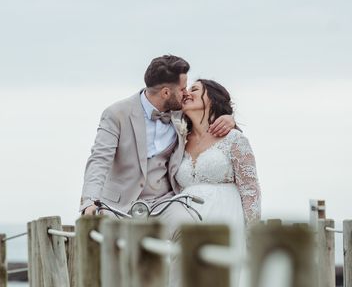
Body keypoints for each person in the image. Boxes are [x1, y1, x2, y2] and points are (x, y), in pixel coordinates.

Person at [79, 55, 236, 286]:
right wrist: (90, 202)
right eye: (182, 88)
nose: (186, 94)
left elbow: (207, 116)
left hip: (164, 202)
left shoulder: (181, 114)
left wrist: (228, 119)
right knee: (112, 254)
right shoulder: (116, 114)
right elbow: (99, 160)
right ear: (165, 93)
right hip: (120, 205)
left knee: (189, 231)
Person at [176, 79, 261, 287]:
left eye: (194, 89)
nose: (187, 93)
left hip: (225, 220)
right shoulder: (178, 139)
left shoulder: (234, 139)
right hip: (186, 225)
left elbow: (250, 191)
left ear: (212, 99)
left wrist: (252, 235)